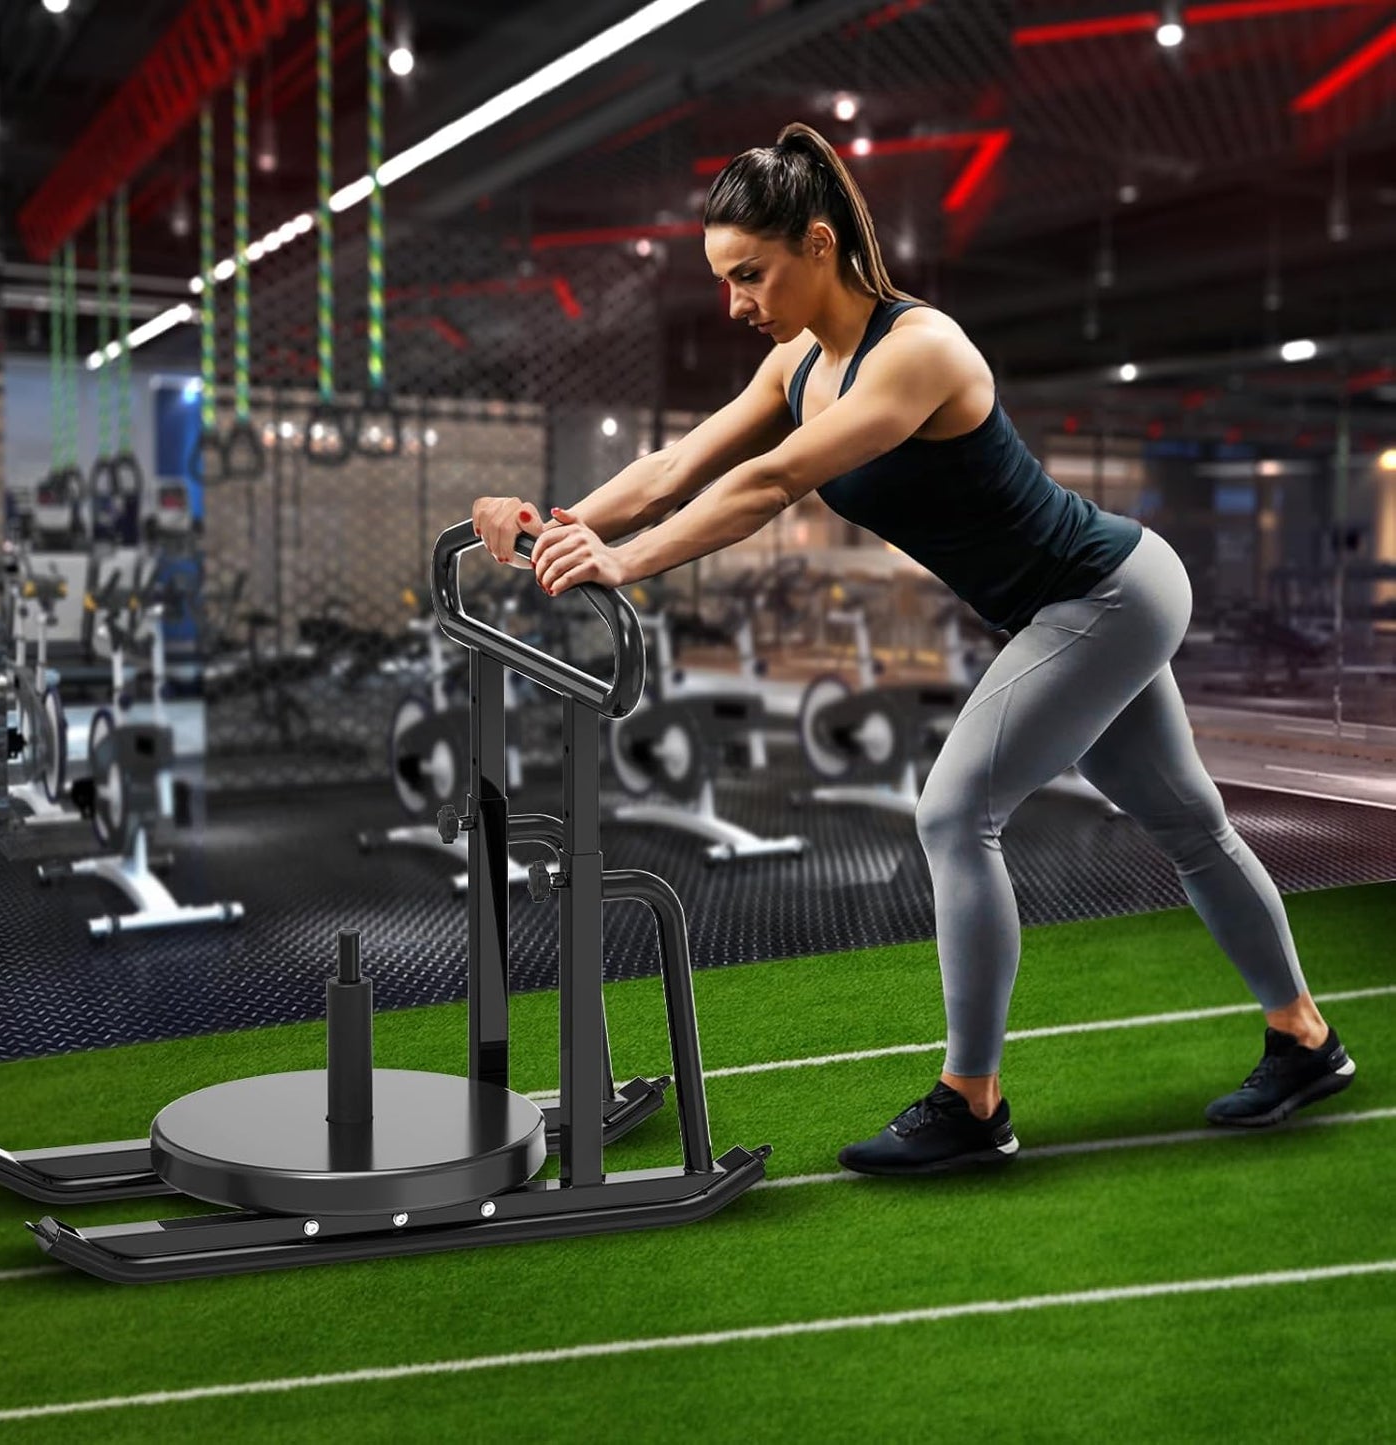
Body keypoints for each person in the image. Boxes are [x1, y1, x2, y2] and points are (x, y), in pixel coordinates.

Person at [472, 121, 1356, 1176]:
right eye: (721, 281)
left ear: (814, 243)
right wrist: (560, 523)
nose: (734, 304)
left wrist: (621, 562)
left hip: (1106, 591)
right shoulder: (800, 360)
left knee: (954, 810)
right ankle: (1305, 1037)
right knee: (1187, 821)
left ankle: (969, 1101)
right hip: (1069, 606)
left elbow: (764, 484)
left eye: (747, 275)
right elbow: (676, 463)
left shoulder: (919, 350)